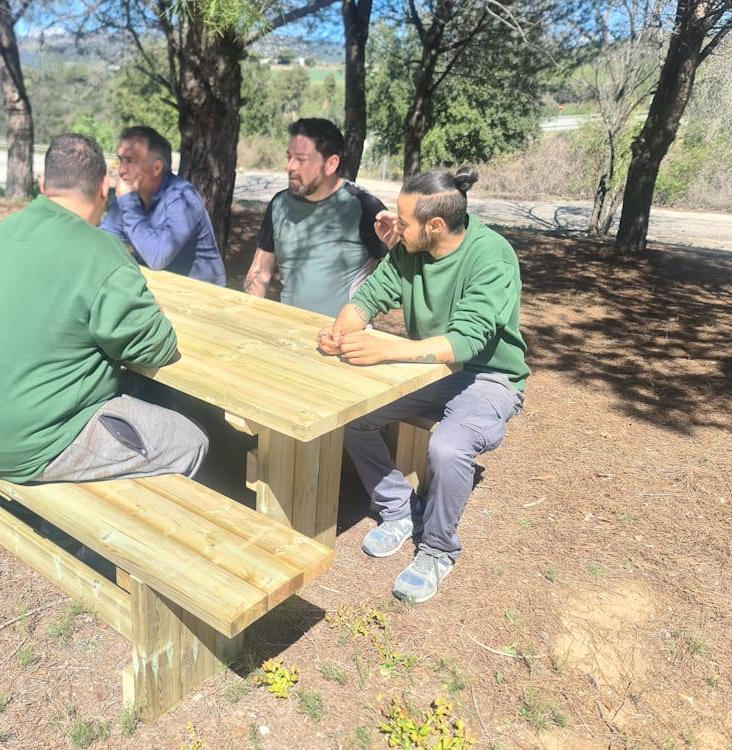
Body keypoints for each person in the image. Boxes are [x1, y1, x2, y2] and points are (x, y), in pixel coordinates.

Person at [317, 167, 530, 603]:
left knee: (447, 448)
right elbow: (369, 298)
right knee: (355, 418)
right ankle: (398, 509)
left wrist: (386, 350)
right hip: (432, 370)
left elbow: (469, 340)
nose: (395, 227)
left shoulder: (492, 256)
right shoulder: (410, 252)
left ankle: (437, 550)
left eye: (404, 220)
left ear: (435, 226)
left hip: (491, 376)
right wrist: (342, 330)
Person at [0, 133, 208, 485]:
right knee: (190, 442)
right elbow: (158, 347)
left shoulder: (6, 230)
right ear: (104, 187)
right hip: (33, 443)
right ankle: (106, 538)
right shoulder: (100, 251)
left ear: (43, 184)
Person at [243, 118, 388, 317]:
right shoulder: (279, 204)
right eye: (289, 157)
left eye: (301, 159)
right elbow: (259, 272)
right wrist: (247, 316)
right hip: (288, 336)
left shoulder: (364, 208)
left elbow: (400, 272)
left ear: (331, 164)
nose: (290, 166)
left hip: (342, 341)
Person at [100, 125, 226, 285]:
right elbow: (105, 240)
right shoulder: (129, 196)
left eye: (130, 161)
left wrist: (128, 202)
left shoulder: (182, 197)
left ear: (157, 168)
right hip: (159, 287)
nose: (121, 170)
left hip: (203, 296)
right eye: (121, 160)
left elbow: (157, 258)